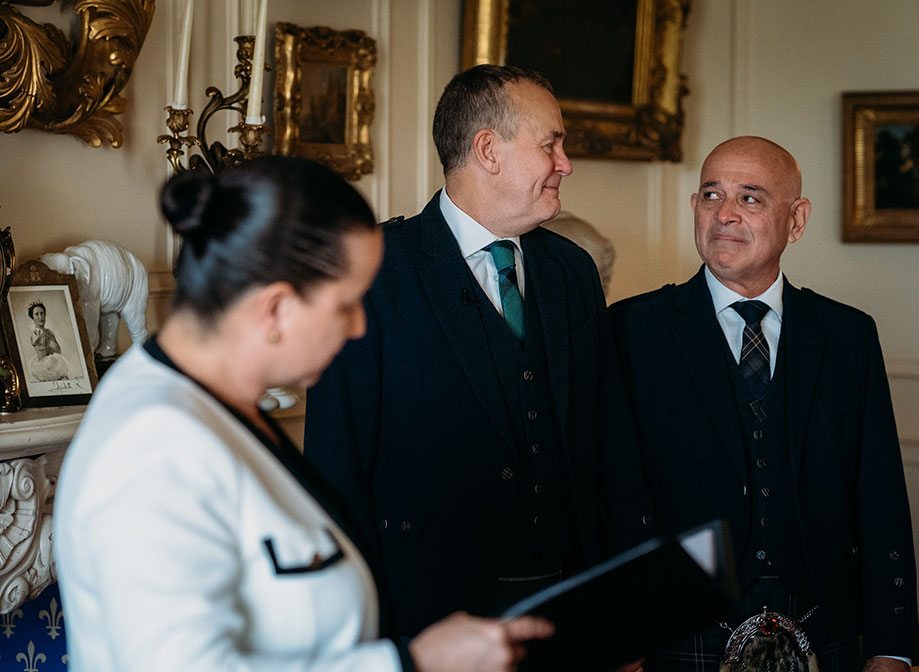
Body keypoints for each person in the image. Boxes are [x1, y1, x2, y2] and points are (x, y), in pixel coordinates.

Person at [53, 156, 555, 672]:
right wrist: (413, 664)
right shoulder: (150, 445)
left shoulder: (222, 406)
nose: (359, 326)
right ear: (275, 309)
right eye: (346, 304)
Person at [302, 63, 653, 642]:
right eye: (551, 144)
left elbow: (609, 449)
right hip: (425, 613)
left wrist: (628, 607)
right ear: (488, 150)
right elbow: (335, 468)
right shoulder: (373, 270)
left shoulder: (572, 271)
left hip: (569, 608)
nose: (565, 163)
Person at [609, 136, 919, 672]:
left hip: (826, 621)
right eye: (711, 195)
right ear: (694, 209)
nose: (724, 214)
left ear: (796, 220)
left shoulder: (848, 336)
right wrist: (622, 639)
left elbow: (882, 498)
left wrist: (892, 645)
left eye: (750, 198)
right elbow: (612, 493)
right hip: (677, 629)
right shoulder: (633, 330)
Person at [27, 300, 71, 381]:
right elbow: (42, 358)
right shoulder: (36, 334)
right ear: (32, 317)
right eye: (37, 314)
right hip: (48, 371)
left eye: (42, 313)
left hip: (57, 366)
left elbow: (58, 351)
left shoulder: (49, 331)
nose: (40, 317)